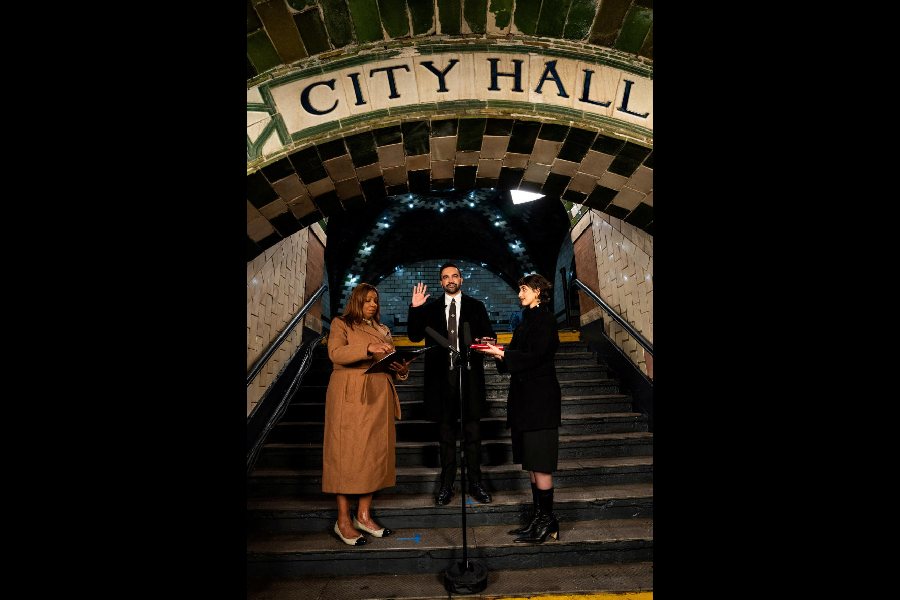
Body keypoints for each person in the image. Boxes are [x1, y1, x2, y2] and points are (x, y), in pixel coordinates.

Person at [322, 282, 411, 546]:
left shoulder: (383, 330)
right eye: (368, 300)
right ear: (357, 301)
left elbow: (392, 365)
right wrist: (367, 349)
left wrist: (401, 368)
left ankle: (363, 515)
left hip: (378, 396)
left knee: (373, 453)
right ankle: (343, 520)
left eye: (375, 300)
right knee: (345, 455)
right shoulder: (341, 323)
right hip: (349, 396)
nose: (373, 304)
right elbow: (335, 353)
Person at [476, 273, 562, 543]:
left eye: (523, 289)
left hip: (540, 402)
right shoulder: (526, 320)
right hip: (525, 402)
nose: (519, 294)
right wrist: (497, 350)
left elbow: (536, 356)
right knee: (532, 464)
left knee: (541, 464)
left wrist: (502, 354)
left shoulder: (545, 319)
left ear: (537, 291)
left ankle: (547, 521)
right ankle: (539, 519)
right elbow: (516, 356)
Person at [407, 262, 496, 506]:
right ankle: (446, 486)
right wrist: (415, 308)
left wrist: (481, 342)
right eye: (445, 277)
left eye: (454, 275)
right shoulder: (431, 308)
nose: (450, 280)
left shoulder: (476, 306)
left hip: (469, 378)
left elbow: (490, 335)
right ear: (440, 282)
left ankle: (476, 484)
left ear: (461, 279)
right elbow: (414, 336)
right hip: (440, 380)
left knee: (473, 436)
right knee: (446, 437)